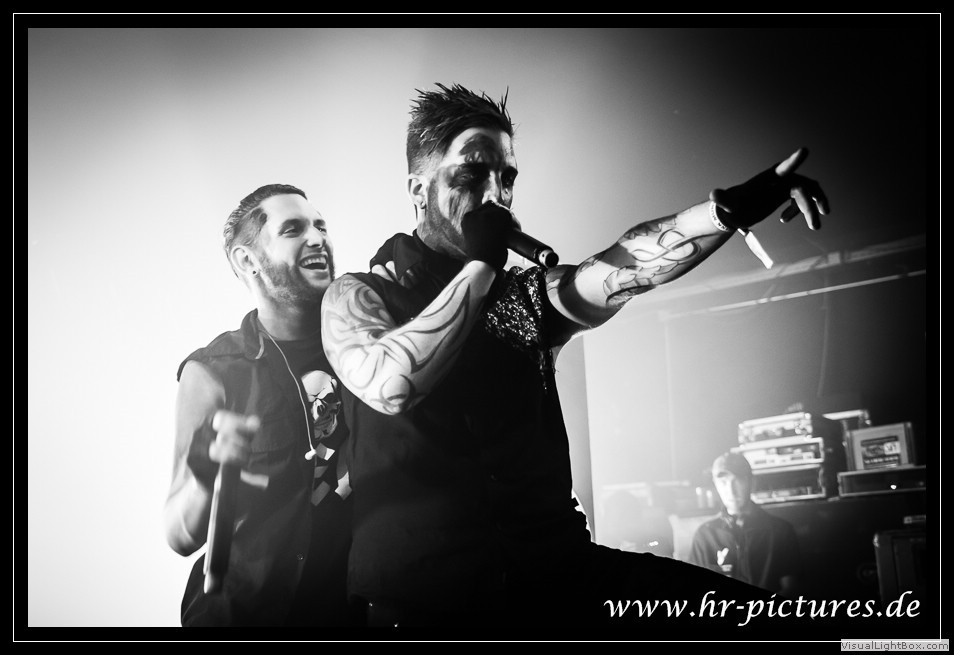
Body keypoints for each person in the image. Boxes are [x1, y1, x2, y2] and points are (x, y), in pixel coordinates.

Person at [320, 83, 833, 637]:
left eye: (507, 177)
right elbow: (391, 383)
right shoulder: (358, 295)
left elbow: (626, 265)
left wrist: (724, 212)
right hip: (427, 608)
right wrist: (481, 264)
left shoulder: (521, 299)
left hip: (558, 581)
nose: (496, 194)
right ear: (419, 190)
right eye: (472, 173)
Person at [163, 184, 359, 627]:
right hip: (239, 616)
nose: (317, 239)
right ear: (246, 260)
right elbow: (178, 534)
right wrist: (206, 476)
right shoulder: (213, 371)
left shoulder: (364, 347)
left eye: (321, 226)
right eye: (293, 229)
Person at [689, 450, 803, 598]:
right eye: (723, 482)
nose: (730, 490)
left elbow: (792, 589)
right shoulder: (705, 535)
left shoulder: (780, 531)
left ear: (752, 483)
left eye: (737, 481)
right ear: (716, 485)